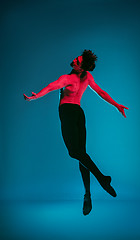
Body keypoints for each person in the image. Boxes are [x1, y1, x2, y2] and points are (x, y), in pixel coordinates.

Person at [23, 49, 129, 216]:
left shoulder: (71, 78)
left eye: (77, 61)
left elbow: (98, 92)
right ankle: (88, 194)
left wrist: (116, 105)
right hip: (78, 113)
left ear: (81, 68)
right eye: (76, 58)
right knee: (81, 154)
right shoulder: (83, 77)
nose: (73, 60)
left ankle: (101, 179)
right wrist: (37, 96)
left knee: (76, 152)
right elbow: (52, 87)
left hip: (70, 112)